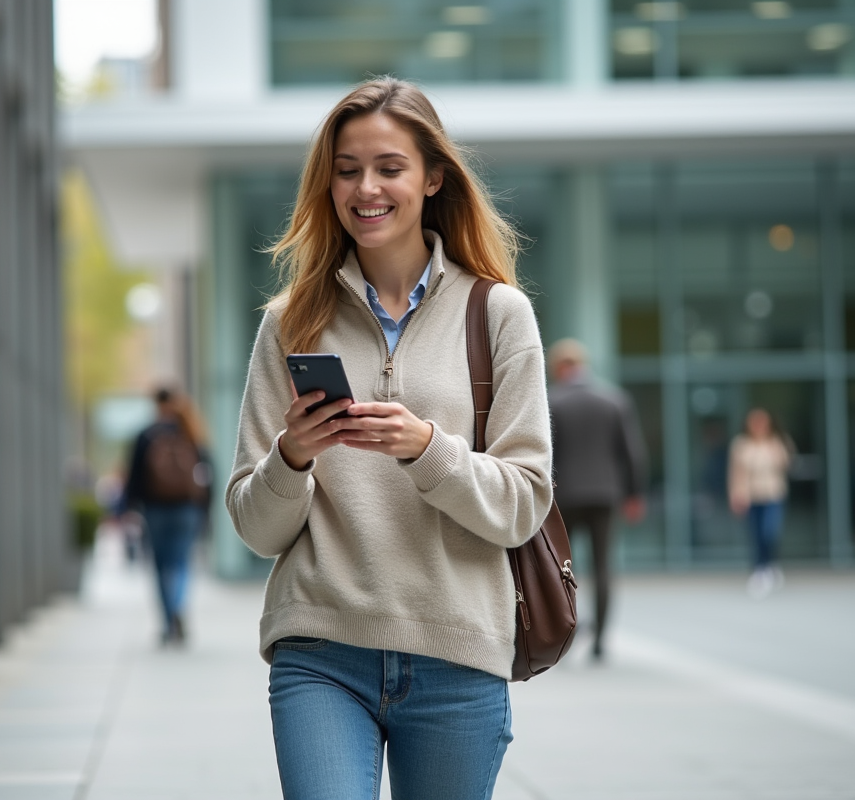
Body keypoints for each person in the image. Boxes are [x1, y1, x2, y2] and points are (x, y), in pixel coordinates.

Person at [226, 77, 552, 800]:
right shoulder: (289, 322)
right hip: (320, 650)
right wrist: (294, 456)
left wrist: (426, 448)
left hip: (457, 651)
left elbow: (524, 504)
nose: (364, 188)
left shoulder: (498, 314)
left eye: (388, 167)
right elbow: (253, 523)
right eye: (346, 170)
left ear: (434, 177)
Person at [547, 339, 647, 661]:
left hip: (564, 497)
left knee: (564, 568)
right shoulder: (614, 399)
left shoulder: (552, 400)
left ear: (561, 367)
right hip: (606, 495)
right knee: (603, 566)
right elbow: (632, 452)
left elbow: (546, 453)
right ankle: (602, 641)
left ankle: (567, 633)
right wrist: (634, 494)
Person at [122, 386, 213, 646]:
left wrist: (130, 506)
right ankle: (178, 608)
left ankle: (168, 619)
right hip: (187, 509)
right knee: (182, 563)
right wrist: (205, 509)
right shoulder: (191, 432)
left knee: (161, 567)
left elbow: (134, 475)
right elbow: (208, 473)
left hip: (155, 509)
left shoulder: (146, 435)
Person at [728, 407, 794, 599]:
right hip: (750, 495)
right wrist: (736, 495)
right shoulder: (741, 444)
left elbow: (787, 464)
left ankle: (771, 564)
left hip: (773, 494)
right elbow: (735, 473)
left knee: (770, 531)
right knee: (755, 534)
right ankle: (759, 569)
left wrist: (776, 446)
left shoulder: (777, 442)